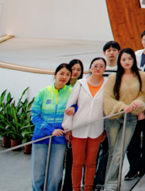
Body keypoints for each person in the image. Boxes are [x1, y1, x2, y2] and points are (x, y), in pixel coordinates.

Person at [102, 49, 145, 191]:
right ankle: (110, 183)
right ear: (119, 61)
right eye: (123, 59)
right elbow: (107, 97)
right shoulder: (113, 77)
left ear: (134, 59)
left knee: (119, 151)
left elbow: (143, 94)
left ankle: (110, 185)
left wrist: (137, 103)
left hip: (131, 117)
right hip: (114, 117)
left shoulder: (141, 75)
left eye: (129, 58)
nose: (127, 62)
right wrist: (122, 106)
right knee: (113, 151)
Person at [63, 57, 106, 191]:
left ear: (104, 69)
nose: (98, 68)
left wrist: (105, 129)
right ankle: (76, 188)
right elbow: (70, 105)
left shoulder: (107, 84)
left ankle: (88, 188)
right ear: (90, 68)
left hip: (96, 129)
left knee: (91, 162)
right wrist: (68, 128)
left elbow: (107, 108)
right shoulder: (81, 84)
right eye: (95, 66)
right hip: (78, 128)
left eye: (101, 66)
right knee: (77, 162)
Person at [31, 63, 72, 191]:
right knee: (38, 174)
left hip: (59, 139)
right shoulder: (43, 92)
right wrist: (51, 130)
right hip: (41, 137)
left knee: (55, 175)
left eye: (67, 74)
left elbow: (77, 108)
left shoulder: (71, 92)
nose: (64, 77)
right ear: (55, 74)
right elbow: (34, 115)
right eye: (61, 73)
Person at [127, 28, 145, 181]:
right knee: (133, 135)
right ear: (141, 41)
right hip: (136, 101)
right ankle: (133, 167)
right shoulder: (136, 56)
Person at [95, 42, 121, 190]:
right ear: (104, 53)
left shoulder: (120, 70)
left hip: (111, 114)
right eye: (108, 50)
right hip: (97, 114)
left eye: (114, 50)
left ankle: (102, 179)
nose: (111, 52)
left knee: (107, 148)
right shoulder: (99, 69)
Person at [61, 59, 84, 191]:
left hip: (74, 128)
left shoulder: (82, 86)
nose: (75, 72)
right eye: (73, 69)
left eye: (78, 70)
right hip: (59, 126)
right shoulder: (61, 85)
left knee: (71, 160)